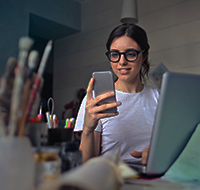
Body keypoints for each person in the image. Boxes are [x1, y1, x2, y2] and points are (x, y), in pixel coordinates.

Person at [74, 23, 160, 165]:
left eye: (131, 54)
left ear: (144, 56)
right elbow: (87, 165)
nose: (122, 62)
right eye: (115, 54)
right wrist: (88, 129)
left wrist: (159, 153)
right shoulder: (96, 100)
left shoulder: (159, 98)